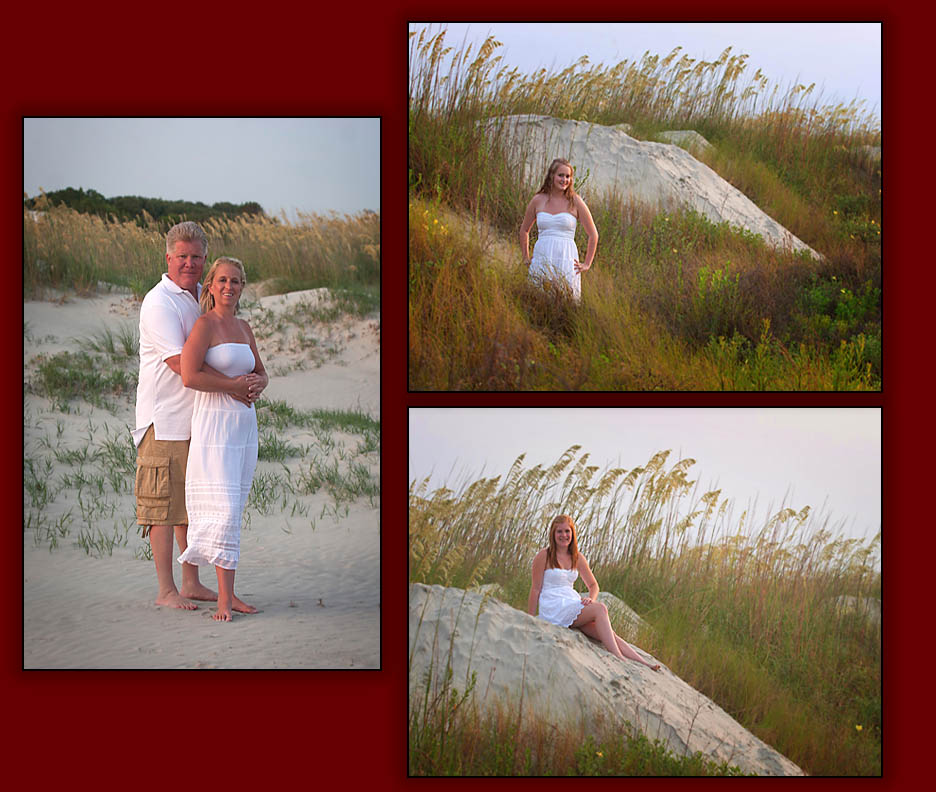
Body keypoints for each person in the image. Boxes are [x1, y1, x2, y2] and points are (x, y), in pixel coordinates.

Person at [133, 222, 263, 611]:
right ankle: (165, 590)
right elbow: (180, 364)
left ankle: (191, 582)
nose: (188, 263)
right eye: (182, 256)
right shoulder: (160, 302)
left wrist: (249, 382)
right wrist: (237, 385)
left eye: (195, 257)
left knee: (189, 503)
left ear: (204, 262)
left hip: (200, 419)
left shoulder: (195, 299)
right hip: (165, 418)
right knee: (162, 505)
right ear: (168, 257)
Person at [178, 256, 267, 622]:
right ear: (211, 285)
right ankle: (223, 602)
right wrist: (231, 387)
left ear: (242, 287)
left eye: (236, 281)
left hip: (243, 430)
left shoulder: (245, 328)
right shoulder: (204, 325)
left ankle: (229, 595)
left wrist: (260, 382)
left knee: (235, 511)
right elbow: (188, 375)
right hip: (214, 430)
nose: (229, 287)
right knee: (224, 511)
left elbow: (260, 372)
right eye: (223, 281)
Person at [528, 514, 660, 671]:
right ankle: (619, 658)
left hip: (571, 602)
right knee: (601, 608)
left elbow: (593, 585)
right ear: (553, 534)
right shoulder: (544, 555)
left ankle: (645, 663)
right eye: (559, 532)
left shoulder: (577, 557)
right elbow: (535, 588)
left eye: (567, 531)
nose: (564, 535)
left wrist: (591, 598)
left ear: (572, 534)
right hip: (553, 606)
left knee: (608, 633)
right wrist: (529, 618)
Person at [519, 158, 599, 302]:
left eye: (568, 176)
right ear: (551, 176)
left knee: (565, 301)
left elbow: (593, 234)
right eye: (561, 175)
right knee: (537, 299)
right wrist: (525, 257)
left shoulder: (575, 201)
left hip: (566, 258)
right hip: (542, 256)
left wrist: (587, 263)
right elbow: (524, 230)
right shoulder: (538, 200)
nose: (564, 180)